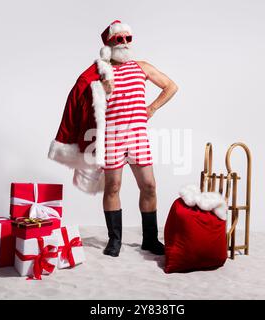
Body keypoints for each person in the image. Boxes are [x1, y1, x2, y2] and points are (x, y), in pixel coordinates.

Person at [48, 20, 178, 258]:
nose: (125, 43)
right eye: (120, 39)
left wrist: (152, 108)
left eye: (128, 38)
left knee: (149, 186)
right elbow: (86, 103)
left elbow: (170, 86)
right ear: (109, 43)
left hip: (137, 136)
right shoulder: (101, 73)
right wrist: (102, 89)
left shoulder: (142, 67)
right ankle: (114, 240)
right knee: (113, 187)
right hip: (112, 138)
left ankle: (149, 240)